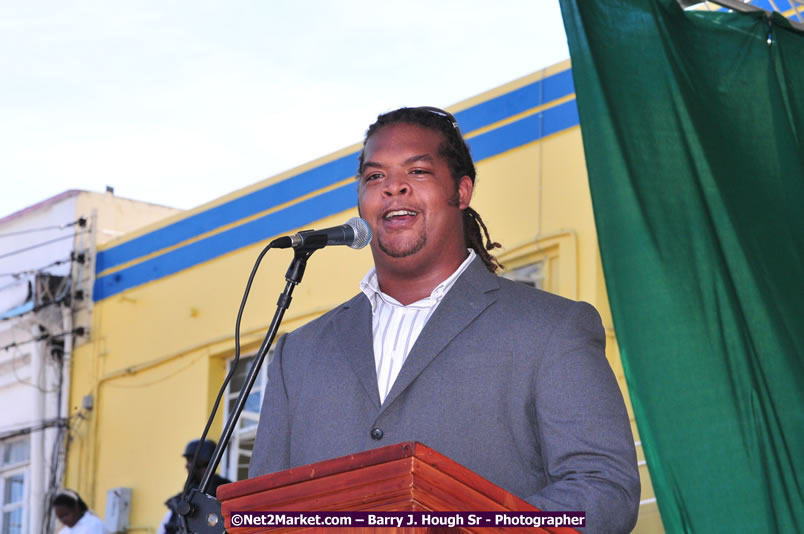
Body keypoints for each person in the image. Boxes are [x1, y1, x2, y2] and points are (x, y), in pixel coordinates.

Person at [249, 107, 640, 533]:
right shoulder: (297, 353)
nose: (393, 187)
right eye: (374, 176)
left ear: (462, 190)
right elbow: (265, 511)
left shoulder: (551, 328)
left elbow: (603, 490)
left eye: (417, 171)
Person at [157, 439, 231, 534]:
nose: (186, 466)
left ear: (201, 461)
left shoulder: (226, 492)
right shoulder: (181, 498)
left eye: (190, 461)